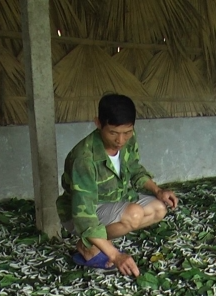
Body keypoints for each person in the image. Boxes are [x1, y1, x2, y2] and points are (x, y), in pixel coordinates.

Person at [56, 94, 178, 277]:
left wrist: (158, 190)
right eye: (113, 132)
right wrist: (115, 255)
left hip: (116, 198)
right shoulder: (84, 159)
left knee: (159, 209)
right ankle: (91, 249)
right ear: (98, 123)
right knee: (134, 214)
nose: (120, 140)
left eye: (127, 132)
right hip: (80, 213)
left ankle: (88, 243)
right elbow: (84, 216)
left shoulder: (128, 138)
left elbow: (134, 168)